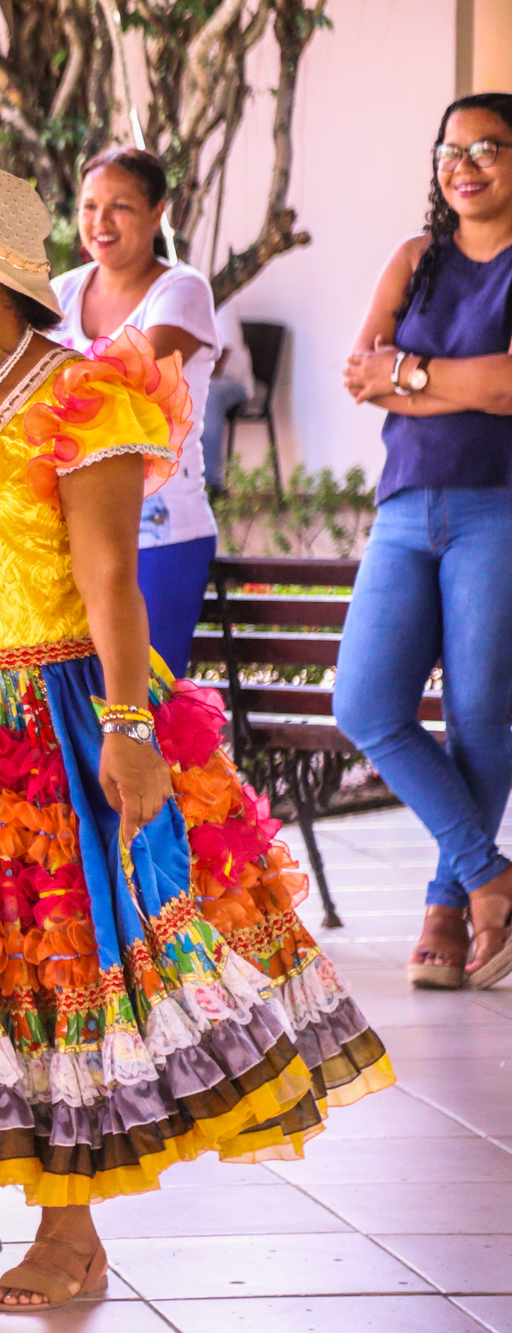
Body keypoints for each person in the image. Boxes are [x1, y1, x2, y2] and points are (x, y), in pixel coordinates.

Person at [0, 162, 391, 1312]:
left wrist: (128, 725)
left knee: (46, 974)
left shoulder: (79, 398)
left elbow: (109, 583)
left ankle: (69, 1229)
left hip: (32, 731)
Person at [335, 91, 512, 992]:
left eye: (487, 148)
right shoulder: (415, 260)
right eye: (450, 150)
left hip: (500, 508)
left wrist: (407, 373)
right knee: (365, 705)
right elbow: (358, 376)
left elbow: (510, 388)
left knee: (480, 719)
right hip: (405, 510)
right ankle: (491, 877)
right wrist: (456, 382)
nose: (464, 166)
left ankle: (447, 907)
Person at [51, 147, 220, 677]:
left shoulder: (183, 289)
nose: (100, 221)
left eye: (119, 206)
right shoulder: (59, 292)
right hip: (70, 530)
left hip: (160, 531)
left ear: (157, 212)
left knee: (147, 699)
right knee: (76, 703)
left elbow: (130, 380)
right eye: (89, 206)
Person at [202, 304, 254, 493]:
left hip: (229, 381)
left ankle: (211, 485)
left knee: (208, 392)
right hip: (192, 382)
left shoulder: (220, 303)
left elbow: (224, 351)